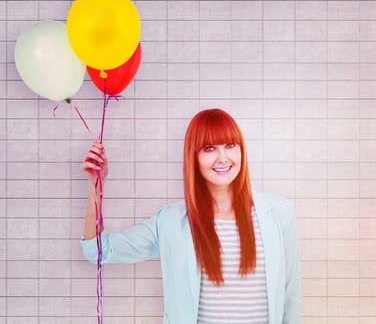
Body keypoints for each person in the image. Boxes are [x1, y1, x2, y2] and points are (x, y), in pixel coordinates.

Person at [80, 108, 301, 324]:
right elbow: (97, 250)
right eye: (209, 149)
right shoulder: (170, 222)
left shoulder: (279, 213)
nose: (223, 158)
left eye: (230, 146)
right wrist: (96, 184)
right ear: (193, 157)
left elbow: (290, 298)